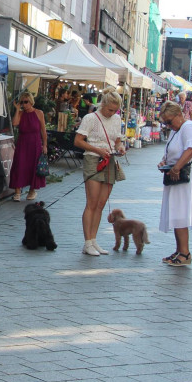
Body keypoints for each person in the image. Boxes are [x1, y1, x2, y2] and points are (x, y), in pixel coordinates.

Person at [74, 89, 125, 257]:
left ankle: (93, 239)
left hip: (109, 160)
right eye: (110, 110)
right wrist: (98, 149)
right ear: (102, 105)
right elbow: (78, 141)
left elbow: (117, 141)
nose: (112, 113)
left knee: (101, 203)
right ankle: (87, 241)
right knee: (92, 202)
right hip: (93, 160)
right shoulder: (91, 118)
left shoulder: (117, 119)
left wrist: (120, 148)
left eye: (115, 110)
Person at [157, 101, 192, 267]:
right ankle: (180, 250)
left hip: (184, 176)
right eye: (165, 123)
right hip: (175, 174)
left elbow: (191, 148)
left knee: (180, 212)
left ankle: (185, 252)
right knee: (176, 212)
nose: (168, 125)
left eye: (169, 121)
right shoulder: (177, 130)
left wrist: (176, 167)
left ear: (179, 115)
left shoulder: (187, 127)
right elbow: (175, 150)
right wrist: (165, 161)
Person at [8, 91, 48, 202]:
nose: (24, 104)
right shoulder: (21, 114)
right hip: (23, 142)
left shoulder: (39, 113)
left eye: (26, 102)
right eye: (22, 102)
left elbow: (43, 131)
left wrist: (45, 145)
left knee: (33, 167)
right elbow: (15, 123)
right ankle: (17, 192)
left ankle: (32, 190)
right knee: (19, 165)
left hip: (35, 143)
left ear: (31, 101)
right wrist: (17, 109)